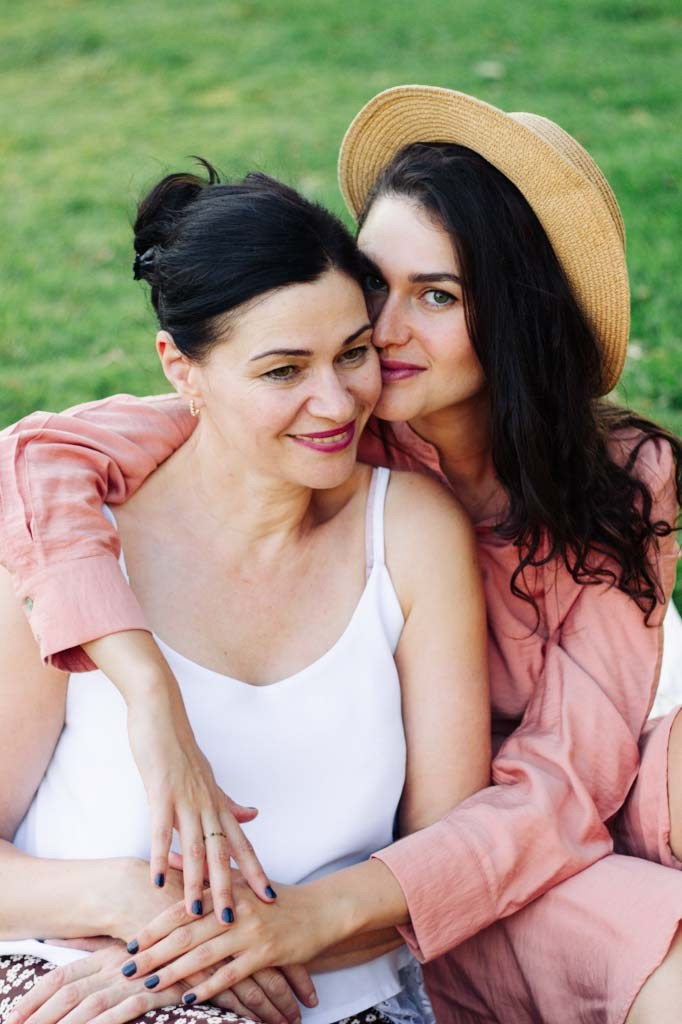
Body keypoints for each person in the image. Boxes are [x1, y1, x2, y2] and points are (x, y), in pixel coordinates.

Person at [1, 85, 681, 1022]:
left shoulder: (610, 477)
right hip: (420, 864)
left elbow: (563, 787)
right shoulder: (328, 427)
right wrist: (147, 695)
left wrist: (288, 925)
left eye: (436, 296)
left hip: (532, 816)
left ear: (519, 315)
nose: (383, 337)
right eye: (375, 286)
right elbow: (37, 458)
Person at [0, 164, 491, 1024]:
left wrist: (248, 942)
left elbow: (445, 853)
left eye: (353, 354)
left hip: (336, 999)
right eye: (282, 371)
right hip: (76, 983)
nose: (335, 402)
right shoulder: (74, 544)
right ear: (180, 369)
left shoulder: (411, 534)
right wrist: (133, 905)